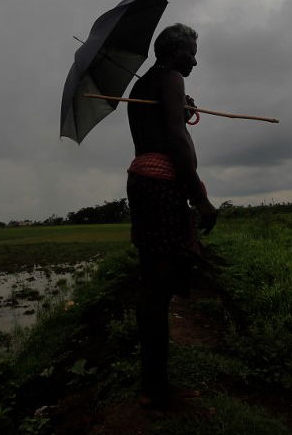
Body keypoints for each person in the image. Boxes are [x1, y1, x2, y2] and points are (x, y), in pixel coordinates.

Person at [125, 23, 218, 409]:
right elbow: (176, 139)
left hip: (143, 183)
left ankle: (152, 383)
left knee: (154, 287)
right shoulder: (171, 78)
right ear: (173, 52)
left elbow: (166, 125)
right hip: (162, 187)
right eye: (190, 52)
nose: (194, 60)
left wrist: (179, 105)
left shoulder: (145, 85)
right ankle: (156, 388)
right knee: (158, 290)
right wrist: (199, 196)